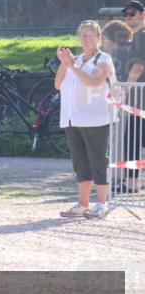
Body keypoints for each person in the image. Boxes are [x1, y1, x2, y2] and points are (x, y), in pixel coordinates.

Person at [55, 21, 114, 219]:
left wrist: (73, 65)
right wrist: (65, 63)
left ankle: (101, 203)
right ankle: (83, 203)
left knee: (97, 160)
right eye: (83, 35)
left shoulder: (103, 59)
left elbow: (93, 82)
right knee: (80, 163)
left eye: (90, 35)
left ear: (99, 38)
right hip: (73, 118)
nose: (86, 39)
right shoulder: (76, 59)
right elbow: (57, 84)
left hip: (95, 118)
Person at [118, 1, 145, 192]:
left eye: (132, 14)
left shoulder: (141, 37)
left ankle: (132, 183)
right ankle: (132, 182)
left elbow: (138, 66)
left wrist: (125, 89)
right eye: (126, 15)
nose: (128, 18)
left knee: (132, 141)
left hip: (139, 98)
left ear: (143, 14)